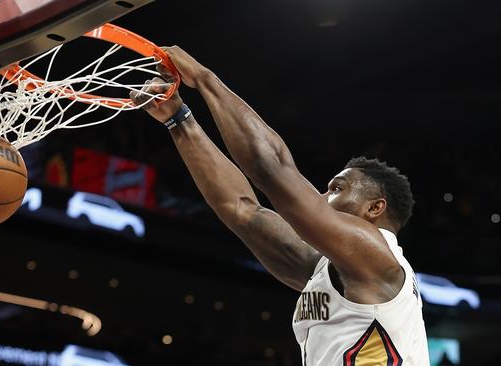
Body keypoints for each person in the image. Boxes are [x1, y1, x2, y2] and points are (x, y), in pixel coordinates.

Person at [130, 46, 429, 365]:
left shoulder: (377, 257)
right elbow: (242, 210)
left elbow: (272, 169)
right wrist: (179, 119)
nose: (323, 197)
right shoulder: (324, 269)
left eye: (337, 188)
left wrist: (204, 79)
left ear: (375, 208)